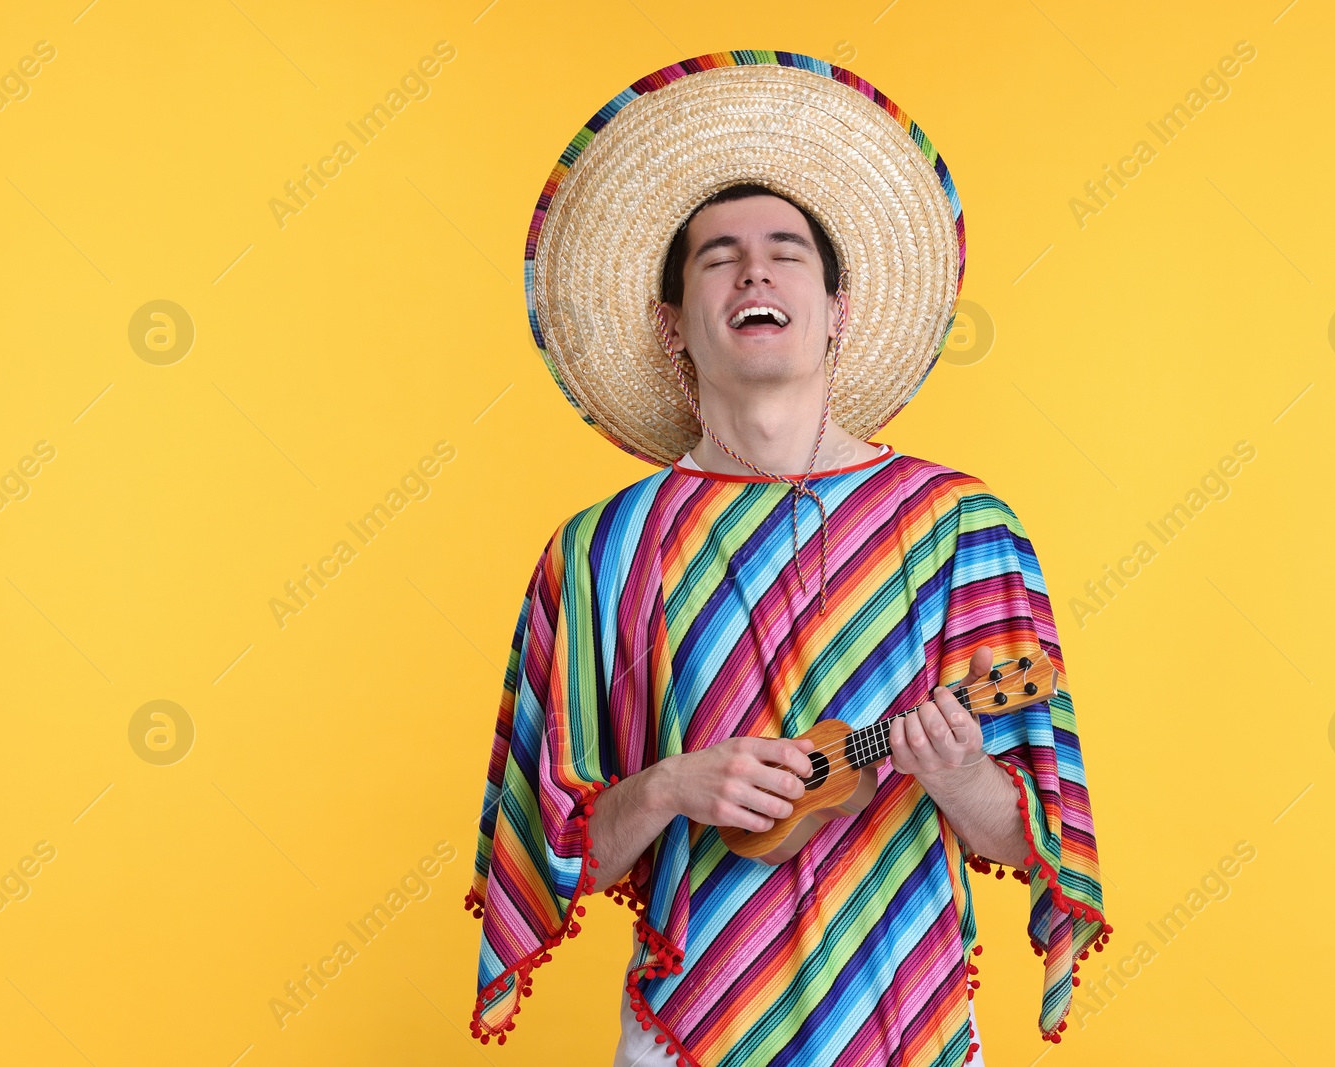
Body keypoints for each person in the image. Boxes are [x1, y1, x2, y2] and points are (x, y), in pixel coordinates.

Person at [464, 52, 1109, 1067]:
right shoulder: (601, 552)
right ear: (672, 323)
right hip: (687, 1029)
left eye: (786, 251)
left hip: (910, 1019)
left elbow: (1022, 837)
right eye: (716, 256)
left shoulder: (958, 526)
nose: (753, 269)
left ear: (838, 309)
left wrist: (958, 770)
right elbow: (562, 856)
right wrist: (672, 785)